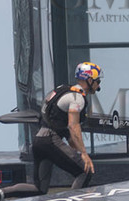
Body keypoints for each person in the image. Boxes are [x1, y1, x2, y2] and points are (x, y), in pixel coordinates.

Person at [29, 61, 102, 192]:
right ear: (89, 80)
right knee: (85, 171)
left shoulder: (64, 90)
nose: (98, 85)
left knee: (38, 189)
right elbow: (73, 126)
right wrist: (84, 154)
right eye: (97, 81)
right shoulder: (77, 98)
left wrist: (77, 151)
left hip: (39, 140)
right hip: (50, 139)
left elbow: (67, 132)